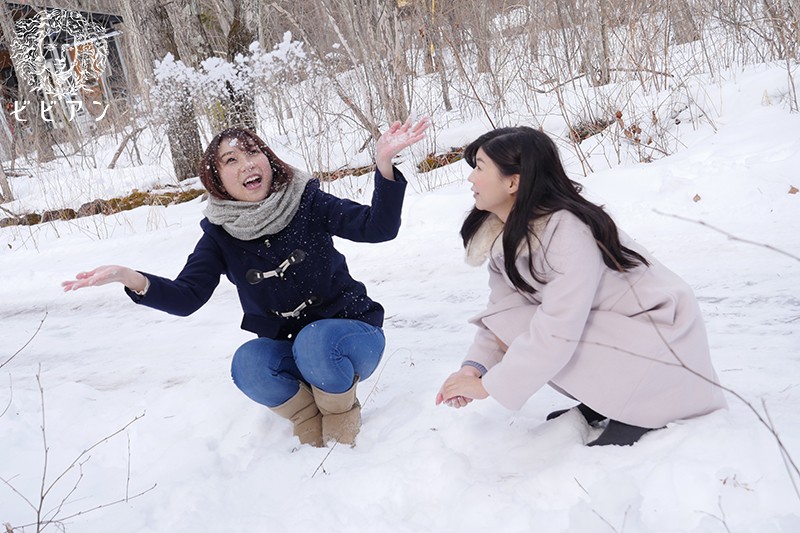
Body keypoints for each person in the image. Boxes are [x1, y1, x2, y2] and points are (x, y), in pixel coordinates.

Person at [63, 117, 430, 448]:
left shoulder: (305, 201)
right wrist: (129, 277)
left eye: (253, 152)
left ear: (268, 160)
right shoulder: (220, 236)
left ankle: (339, 427)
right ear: (217, 179)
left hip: (351, 339)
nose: (247, 164)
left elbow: (377, 227)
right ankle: (308, 424)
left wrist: (384, 163)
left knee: (315, 340)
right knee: (248, 363)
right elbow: (187, 297)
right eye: (231, 160)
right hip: (293, 352)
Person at [435, 126, 726, 446]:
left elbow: (559, 328)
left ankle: (643, 410)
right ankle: (608, 399)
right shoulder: (506, 239)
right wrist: (473, 369)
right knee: (520, 321)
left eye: (479, 167)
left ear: (512, 182)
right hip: (624, 337)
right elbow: (502, 315)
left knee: (548, 329)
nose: (471, 179)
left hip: (662, 342)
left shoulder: (567, 229)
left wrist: (489, 386)